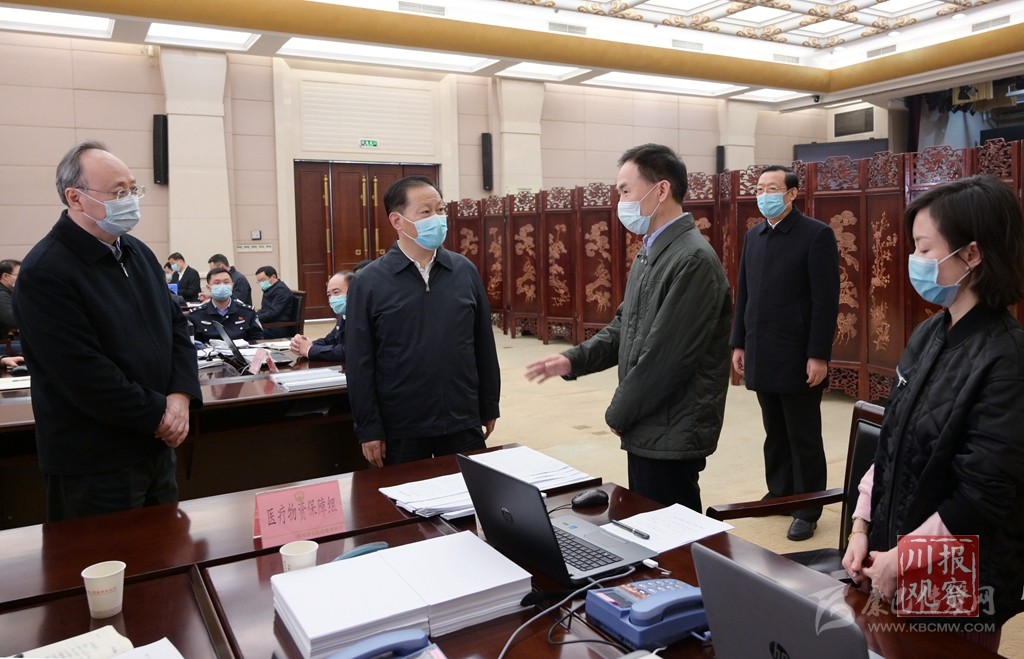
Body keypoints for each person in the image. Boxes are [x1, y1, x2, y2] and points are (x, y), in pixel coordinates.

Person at [842, 175, 1024, 651]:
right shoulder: (929, 334)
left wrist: (904, 558)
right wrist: (861, 527)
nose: (915, 261)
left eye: (925, 249)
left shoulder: (1007, 359)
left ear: (972, 255)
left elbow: (982, 496)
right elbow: (891, 440)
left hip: (960, 579)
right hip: (892, 559)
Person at [524, 144, 731, 512]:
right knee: (648, 517)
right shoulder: (651, 251)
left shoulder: (692, 259)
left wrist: (619, 412)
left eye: (625, 191)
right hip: (649, 418)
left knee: (671, 526)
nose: (620, 202)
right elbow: (625, 327)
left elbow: (666, 358)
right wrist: (573, 360)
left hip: (673, 422)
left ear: (661, 190)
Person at [13, 140, 201, 521]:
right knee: (102, 558)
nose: (130, 201)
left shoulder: (138, 253)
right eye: (118, 193)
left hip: (156, 448)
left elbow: (177, 328)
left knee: (167, 552)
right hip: (94, 462)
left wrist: (180, 397)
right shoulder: (45, 271)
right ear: (75, 198)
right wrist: (161, 414)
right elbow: (82, 373)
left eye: (133, 190)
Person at [346, 175, 500, 467]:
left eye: (440, 210)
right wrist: (369, 428)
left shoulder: (464, 270)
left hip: (461, 417)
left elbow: (483, 344)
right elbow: (359, 362)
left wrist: (489, 404)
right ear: (397, 221)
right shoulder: (369, 282)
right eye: (426, 212)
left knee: (467, 491)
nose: (437, 219)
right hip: (401, 425)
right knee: (403, 495)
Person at [730, 164, 840, 542]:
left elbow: (825, 301)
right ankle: (779, 493)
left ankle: (808, 507)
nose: (765, 195)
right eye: (760, 188)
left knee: (802, 433)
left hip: (798, 353)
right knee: (774, 429)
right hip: (761, 349)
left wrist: (818, 354)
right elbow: (744, 293)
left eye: (773, 188)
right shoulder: (754, 235)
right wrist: (739, 342)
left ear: (792, 193)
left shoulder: (816, 235)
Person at [187, 267, 263, 343]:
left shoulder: (247, 312)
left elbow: (257, 340)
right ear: (208, 287)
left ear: (232, 286)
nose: (222, 286)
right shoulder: (195, 315)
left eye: (226, 282)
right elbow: (191, 343)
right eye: (217, 283)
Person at [290, 271, 352, 361]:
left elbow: (349, 351)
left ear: (353, 291)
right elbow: (330, 340)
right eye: (329, 295)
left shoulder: (361, 317)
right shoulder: (343, 316)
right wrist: (303, 344)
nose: (332, 299)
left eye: (336, 292)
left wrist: (310, 350)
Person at [254, 265, 296, 339]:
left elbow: (273, 312)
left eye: (263, 280)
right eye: (259, 281)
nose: (261, 283)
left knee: (249, 333)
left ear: (273, 276)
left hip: (278, 327)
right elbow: (265, 309)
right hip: (269, 324)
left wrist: (256, 318)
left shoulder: (281, 290)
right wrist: (254, 316)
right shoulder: (270, 289)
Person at [0, 259, 20, 352]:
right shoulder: (1, 294)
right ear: (6, 276)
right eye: (18, 275)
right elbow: (13, 320)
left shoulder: (7, 292)